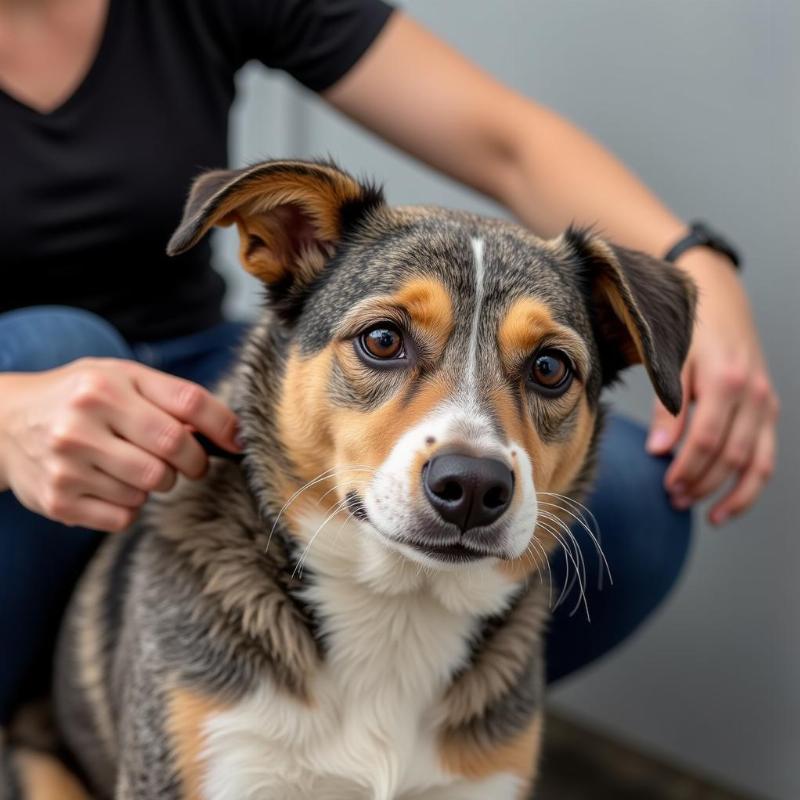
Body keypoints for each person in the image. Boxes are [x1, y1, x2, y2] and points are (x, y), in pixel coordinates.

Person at [0, 0, 778, 726]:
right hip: (22, 382)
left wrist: (700, 269)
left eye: (544, 369)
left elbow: (503, 141)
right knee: (54, 344)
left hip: (193, 373)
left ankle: (382, 735)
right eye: (385, 339)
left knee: (634, 509)